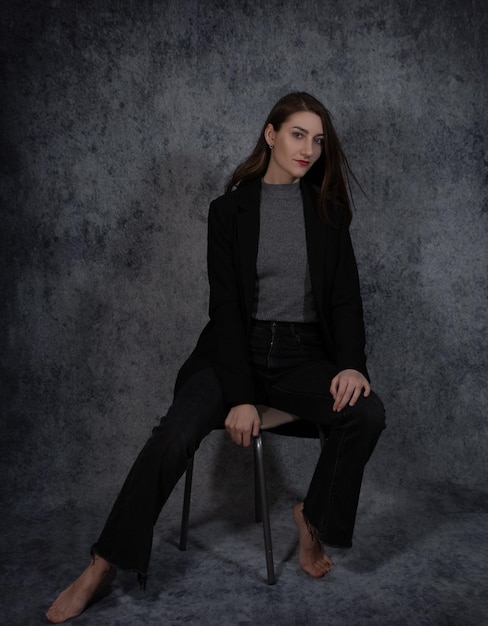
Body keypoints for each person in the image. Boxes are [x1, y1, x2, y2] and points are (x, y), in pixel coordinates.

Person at [45, 92, 386, 623]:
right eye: (298, 134)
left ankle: (311, 520)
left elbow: (345, 301)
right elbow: (225, 307)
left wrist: (351, 365)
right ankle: (104, 562)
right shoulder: (228, 210)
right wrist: (242, 395)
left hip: (301, 358)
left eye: (318, 140)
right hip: (231, 352)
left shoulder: (329, 213)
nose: (309, 149)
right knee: (175, 433)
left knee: (365, 411)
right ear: (271, 135)